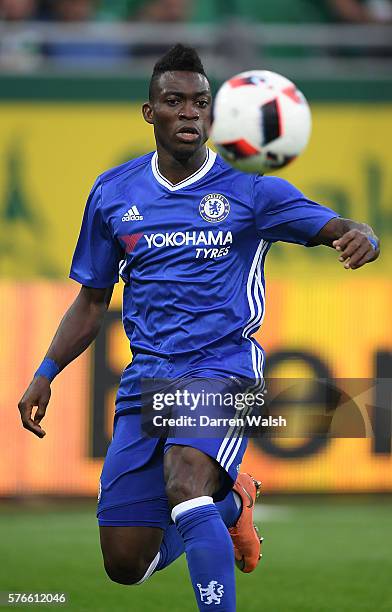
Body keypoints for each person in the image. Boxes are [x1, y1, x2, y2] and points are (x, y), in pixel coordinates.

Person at [18, 44, 380, 611]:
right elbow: (92, 299)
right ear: (150, 113)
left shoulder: (252, 189)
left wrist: (361, 234)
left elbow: (335, 224)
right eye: (175, 101)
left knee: (186, 484)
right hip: (147, 381)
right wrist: (45, 371)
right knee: (124, 565)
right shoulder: (114, 193)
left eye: (201, 103)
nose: (190, 112)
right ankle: (233, 504)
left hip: (223, 368)